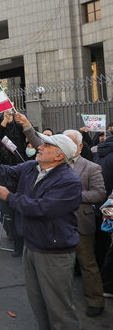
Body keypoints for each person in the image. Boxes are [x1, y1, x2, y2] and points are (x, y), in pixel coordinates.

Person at [0, 131, 82, 329]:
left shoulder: (69, 180)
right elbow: (4, 172)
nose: (40, 147)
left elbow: (42, 208)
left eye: (47, 146)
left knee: (59, 309)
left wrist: (10, 197)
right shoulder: (32, 167)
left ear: (59, 156)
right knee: (37, 302)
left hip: (53, 252)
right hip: (31, 245)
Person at [61, 129, 107, 317]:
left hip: (81, 222)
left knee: (87, 263)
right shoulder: (55, 164)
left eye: (70, 143)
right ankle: (61, 300)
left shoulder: (91, 167)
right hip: (58, 224)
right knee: (62, 265)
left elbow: (99, 193)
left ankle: (95, 301)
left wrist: (73, 196)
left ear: (80, 146)